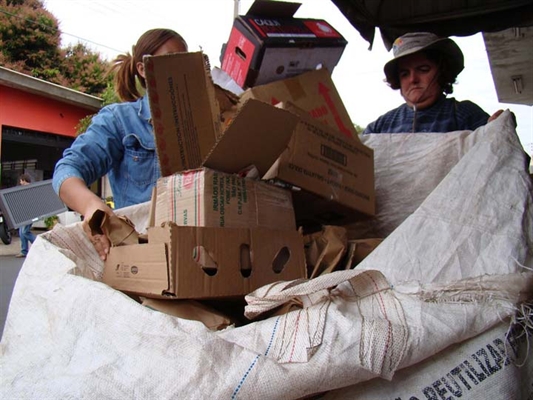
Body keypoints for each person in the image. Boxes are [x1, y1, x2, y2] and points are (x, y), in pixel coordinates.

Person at [53, 28, 188, 260]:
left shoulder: (206, 125)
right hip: (140, 253)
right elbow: (67, 171)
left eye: (185, 61)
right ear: (143, 69)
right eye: (168, 60)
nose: (178, 69)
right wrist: (90, 206)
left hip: (195, 253)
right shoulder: (119, 120)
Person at [363, 32, 503, 134]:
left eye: (423, 70)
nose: (413, 79)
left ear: (442, 72)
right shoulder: (382, 125)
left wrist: (498, 132)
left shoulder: (464, 114)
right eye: (404, 74)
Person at [16, 173, 37, 258]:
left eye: (21, 181)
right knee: (21, 233)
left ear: (24, 180)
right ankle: (24, 251)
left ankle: (39, 245)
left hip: (29, 214)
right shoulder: (23, 189)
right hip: (23, 214)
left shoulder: (30, 189)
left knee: (25, 232)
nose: (20, 182)